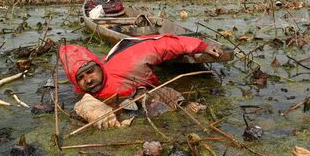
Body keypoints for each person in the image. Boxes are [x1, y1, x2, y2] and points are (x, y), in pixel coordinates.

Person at [59, 34, 222, 101]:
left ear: (98, 66)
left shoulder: (130, 60)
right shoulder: (84, 98)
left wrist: (201, 46)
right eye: (80, 78)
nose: (88, 80)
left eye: (90, 72)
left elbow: (165, 45)